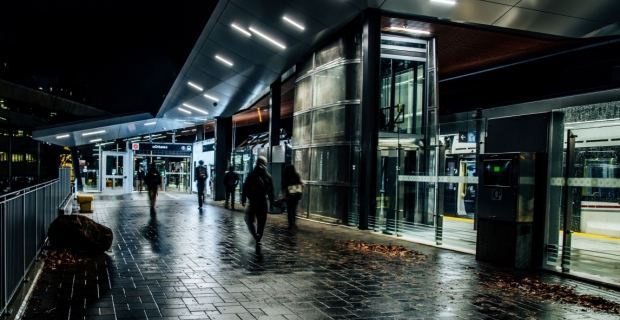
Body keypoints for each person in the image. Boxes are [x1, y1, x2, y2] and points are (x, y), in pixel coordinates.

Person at [241, 156, 275, 251]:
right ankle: (259, 236)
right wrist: (271, 203)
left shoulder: (251, 175)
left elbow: (246, 187)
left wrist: (243, 198)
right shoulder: (268, 176)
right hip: (263, 202)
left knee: (249, 219)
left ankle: (255, 235)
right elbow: (271, 190)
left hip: (253, 202)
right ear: (265, 164)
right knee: (261, 221)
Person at [281, 165, 304, 231]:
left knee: (289, 210)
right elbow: (299, 183)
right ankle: (294, 222)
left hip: (289, 195)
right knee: (294, 209)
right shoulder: (296, 175)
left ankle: (290, 225)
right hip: (296, 195)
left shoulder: (286, 176)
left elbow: (284, 186)